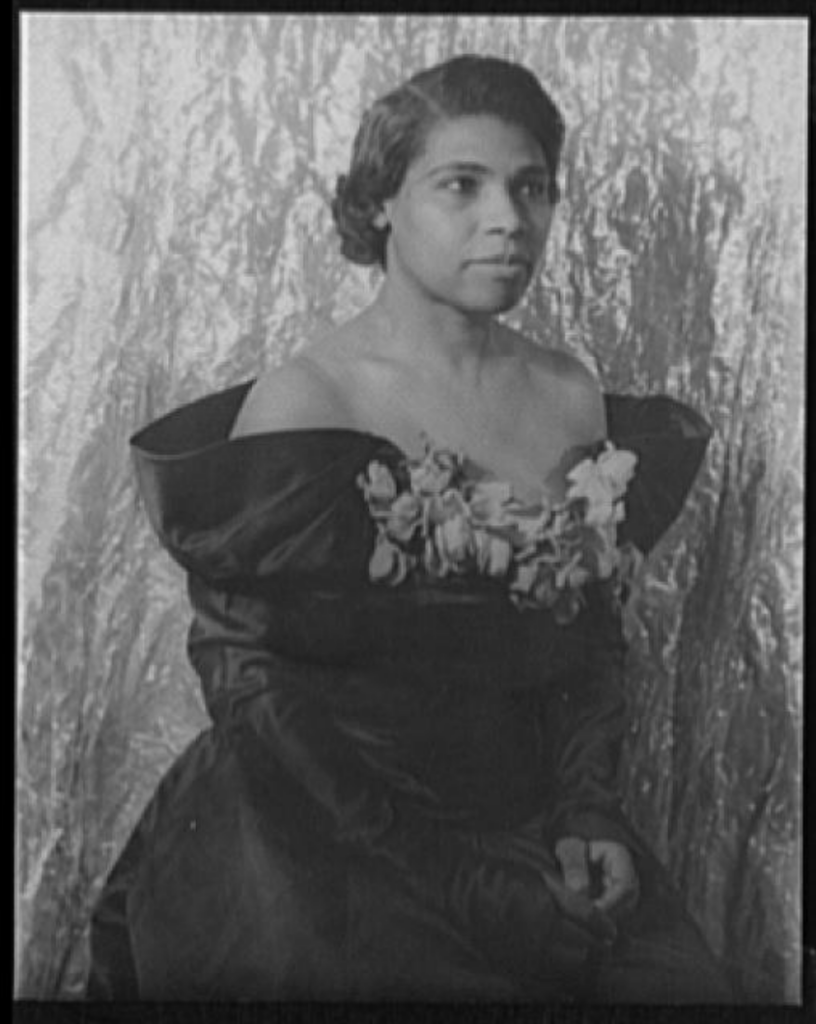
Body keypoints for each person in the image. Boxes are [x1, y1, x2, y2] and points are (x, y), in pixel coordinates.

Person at [87, 54, 732, 1002]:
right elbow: (257, 692)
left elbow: (589, 643)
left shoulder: (568, 393)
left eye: (532, 187)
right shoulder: (313, 398)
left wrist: (588, 813)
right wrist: (466, 887)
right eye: (460, 186)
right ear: (384, 201)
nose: (508, 220)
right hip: (318, 823)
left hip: (524, 814)